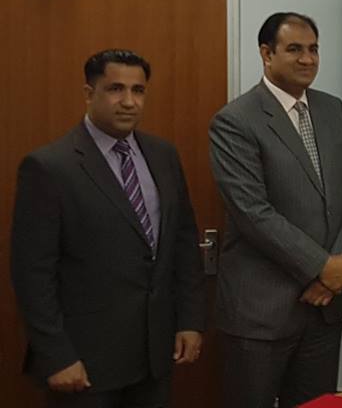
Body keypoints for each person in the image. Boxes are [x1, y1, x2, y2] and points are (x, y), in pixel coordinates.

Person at [11, 49, 205, 408]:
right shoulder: (50, 167)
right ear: (89, 93)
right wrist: (56, 355)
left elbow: (183, 242)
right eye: (116, 89)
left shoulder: (163, 155)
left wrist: (190, 321)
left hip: (154, 355)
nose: (129, 101)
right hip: (85, 362)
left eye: (138, 90)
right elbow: (32, 274)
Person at [209, 12, 342, 408]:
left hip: (324, 308)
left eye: (313, 49)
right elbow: (252, 212)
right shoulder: (235, 120)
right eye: (294, 49)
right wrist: (320, 266)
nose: (307, 59)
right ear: (267, 54)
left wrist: (336, 268)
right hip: (262, 312)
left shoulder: (332, 109)